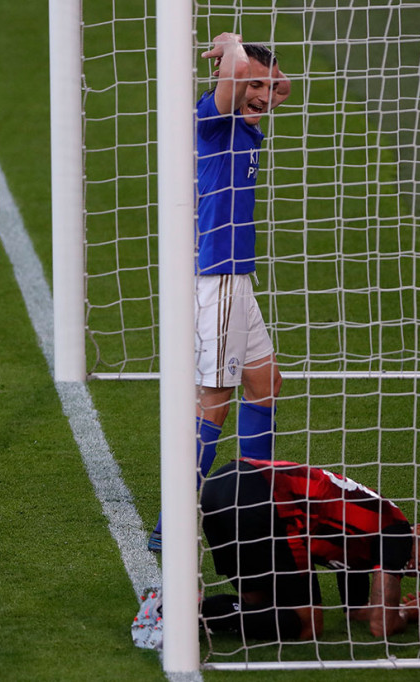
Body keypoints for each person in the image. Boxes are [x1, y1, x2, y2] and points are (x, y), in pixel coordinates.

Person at [149, 33, 292, 551]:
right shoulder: (210, 119)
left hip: (236, 280)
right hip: (216, 278)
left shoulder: (246, 125)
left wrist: (263, 77)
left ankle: (260, 500)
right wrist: (233, 45)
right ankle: (171, 524)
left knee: (266, 385)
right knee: (214, 400)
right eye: (249, 84)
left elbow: (287, 87)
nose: (261, 94)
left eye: (264, 84)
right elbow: (236, 78)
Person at [199, 458, 420, 641]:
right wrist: (408, 613)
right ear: (417, 530)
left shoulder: (367, 545)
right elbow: (381, 626)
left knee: (262, 608)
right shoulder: (398, 533)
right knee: (308, 626)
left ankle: (183, 609)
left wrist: (398, 609)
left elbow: (357, 611)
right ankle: (190, 610)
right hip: (264, 498)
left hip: (221, 486)